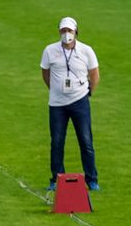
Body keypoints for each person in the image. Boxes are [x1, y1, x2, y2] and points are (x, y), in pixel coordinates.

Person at [41, 15, 100, 191]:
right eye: (63, 30)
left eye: (69, 31)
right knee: (57, 142)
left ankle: (92, 179)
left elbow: (94, 74)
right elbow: (45, 72)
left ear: (76, 32)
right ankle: (56, 178)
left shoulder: (86, 50)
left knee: (86, 141)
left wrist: (88, 92)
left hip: (79, 101)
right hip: (57, 104)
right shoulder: (50, 50)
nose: (66, 34)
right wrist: (54, 89)